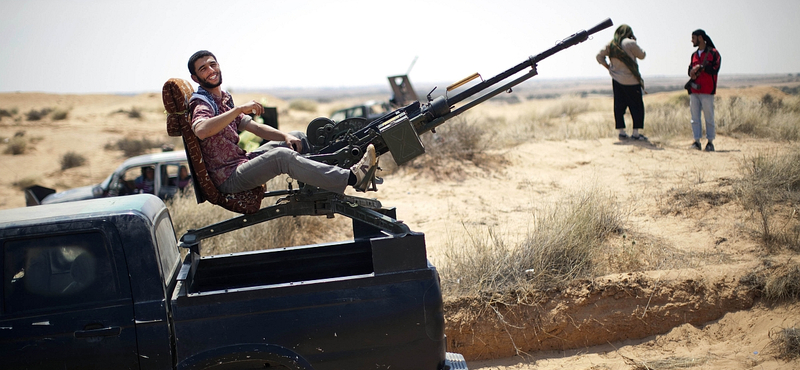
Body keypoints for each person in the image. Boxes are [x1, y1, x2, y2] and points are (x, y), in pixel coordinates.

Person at [186, 50, 377, 196]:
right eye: (203, 69)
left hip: (242, 162)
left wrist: (285, 136)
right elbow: (201, 130)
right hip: (229, 177)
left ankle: (328, 177)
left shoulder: (223, 99)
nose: (211, 70)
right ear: (195, 78)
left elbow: (256, 128)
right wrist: (238, 110)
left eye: (213, 64)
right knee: (281, 157)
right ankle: (353, 178)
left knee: (297, 137)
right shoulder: (201, 102)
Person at [597, 24, 647, 141]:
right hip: (632, 80)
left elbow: (599, 56)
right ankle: (635, 133)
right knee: (636, 107)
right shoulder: (630, 43)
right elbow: (642, 55)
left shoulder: (612, 44)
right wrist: (635, 42)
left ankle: (621, 132)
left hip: (617, 80)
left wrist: (609, 67)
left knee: (619, 106)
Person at [687, 29, 721, 152]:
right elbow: (689, 70)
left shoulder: (714, 53)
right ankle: (696, 141)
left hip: (707, 90)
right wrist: (692, 72)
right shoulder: (694, 55)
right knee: (694, 117)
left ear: (700, 38)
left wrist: (701, 67)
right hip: (694, 91)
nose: (692, 41)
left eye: (693, 38)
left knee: (709, 117)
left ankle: (710, 142)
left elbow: (715, 69)